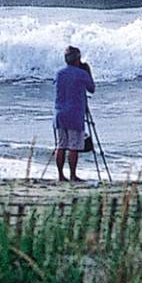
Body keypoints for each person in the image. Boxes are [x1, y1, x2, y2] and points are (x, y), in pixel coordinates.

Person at [52, 46, 95, 182]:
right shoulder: (81, 73)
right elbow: (92, 89)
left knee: (61, 145)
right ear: (77, 59)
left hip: (59, 113)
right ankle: (72, 175)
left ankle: (60, 175)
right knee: (73, 147)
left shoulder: (59, 73)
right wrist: (88, 72)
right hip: (75, 114)